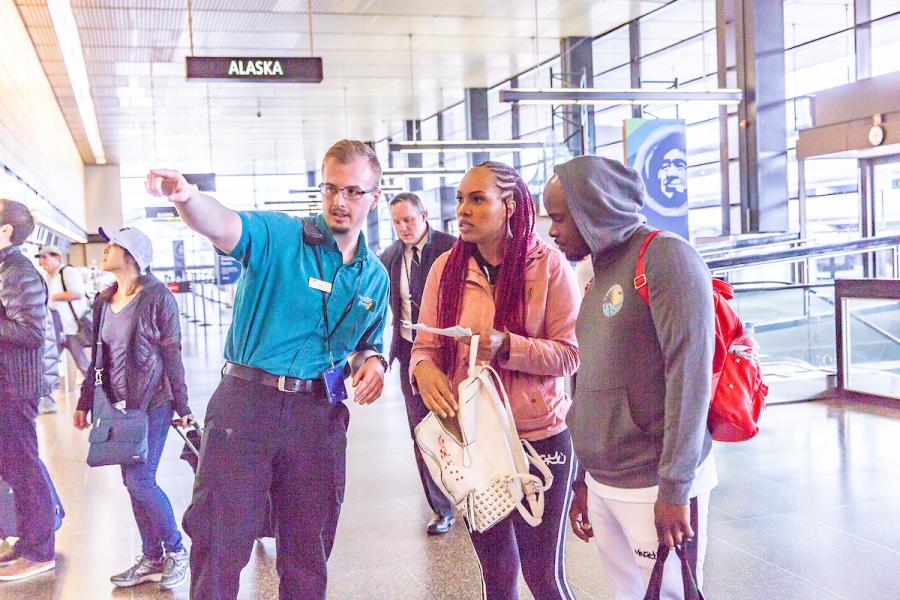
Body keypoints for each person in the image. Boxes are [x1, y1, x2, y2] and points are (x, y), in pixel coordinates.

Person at [144, 139, 390, 600]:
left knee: (309, 550)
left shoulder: (373, 275)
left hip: (319, 415)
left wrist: (372, 361)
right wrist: (187, 198)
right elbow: (223, 225)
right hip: (246, 407)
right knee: (221, 542)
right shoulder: (279, 236)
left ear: (374, 197)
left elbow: (364, 342)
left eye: (354, 192)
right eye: (331, 188)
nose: (340, 201)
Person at [543, 156, 717, 598]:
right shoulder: (593, 271)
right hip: (604, 479)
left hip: (654, 480)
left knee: (670, 592)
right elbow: (586, 377)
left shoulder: (666, 257)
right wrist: (582, 478)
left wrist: (676, 488)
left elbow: (690, 377)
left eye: (561, 218)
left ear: (593, 210)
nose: (553, 231)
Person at [411, 161, 581, 600]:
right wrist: (424, 372)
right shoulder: (445, 271)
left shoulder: (549, 267)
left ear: (509, 207)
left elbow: (571, 355)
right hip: (474, 443)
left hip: (537, 443)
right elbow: (424, 349)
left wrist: (510, 345)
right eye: (460, 200)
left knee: (543, 577)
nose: (462, 210)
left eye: (477, 199)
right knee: (498, 576)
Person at [73, 226, 194, 590]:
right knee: (131, 482)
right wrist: (84, 401)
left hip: (153, 401)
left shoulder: (158, 297)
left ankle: (176, 550)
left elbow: (172, 351)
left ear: (132, 255)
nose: (105, 250)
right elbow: (97, 357)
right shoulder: (103, 300)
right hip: (117, 405)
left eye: (113, 245)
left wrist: (182, 404)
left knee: (141, 480)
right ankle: (151, 556)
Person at [379, 192, 457, 535]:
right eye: (397, 222)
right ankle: (442, 509)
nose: (403, 228)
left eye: (409, 220)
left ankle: (472, 497)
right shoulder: (391, 256)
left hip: (452, 354)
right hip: (411, 355)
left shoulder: (453, 249)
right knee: (422, 433)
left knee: (461, 428)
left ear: (424, 215)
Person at [0, 198, 56, 581]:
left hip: (14, 387)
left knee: (24, 467)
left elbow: (31, 332)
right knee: (15, 467)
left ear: (6, 230)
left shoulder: (17, 270)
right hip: (8, 385)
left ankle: (39, 550)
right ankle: (27, 543)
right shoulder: (7, 268)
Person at [36, 246, 91, 375]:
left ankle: (96, 391)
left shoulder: (68, 272)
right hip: (56, 330)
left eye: (45, 257)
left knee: (83, 364)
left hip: (72, 329)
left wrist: (53, 297)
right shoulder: (47, 277)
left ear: (57, 257)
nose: (42, 261)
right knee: (48, 366)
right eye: (40, 258)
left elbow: (77, 293)